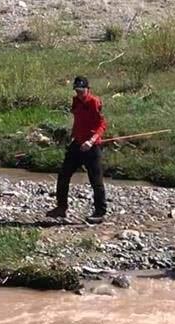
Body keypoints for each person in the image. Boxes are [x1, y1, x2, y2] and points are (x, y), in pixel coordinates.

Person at [46, 76, 107, 223]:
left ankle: (100, 212)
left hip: (91, 146)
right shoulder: (76, 102)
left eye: (81, 91)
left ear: (88, 89)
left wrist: (91, 141)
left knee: (95, 180)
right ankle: (61, 207)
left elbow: (102, 125)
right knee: (63, 175)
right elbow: (78, 121)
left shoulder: (94, 102)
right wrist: (71, 136)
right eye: (77, 91)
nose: (79, 93)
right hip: (77, 143)